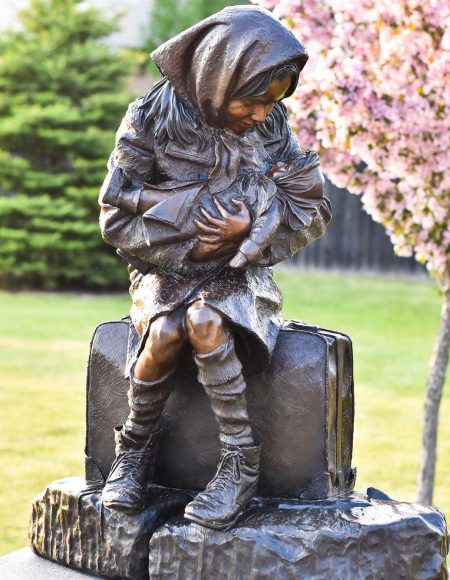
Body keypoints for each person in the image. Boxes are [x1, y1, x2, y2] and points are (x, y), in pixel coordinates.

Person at [98, 5, 331, 530]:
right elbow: (115, 215)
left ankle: (239, 463)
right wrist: (189, 245)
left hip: (241, 272)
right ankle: (134, 451)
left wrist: (249, 232)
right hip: (166, 268)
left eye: (273, 103)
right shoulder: (151, 118)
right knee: (164, 331)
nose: (262, 114)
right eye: (252, 101)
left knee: (205, 321)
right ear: (217, 77)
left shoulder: (273, 128)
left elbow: (311, 207)